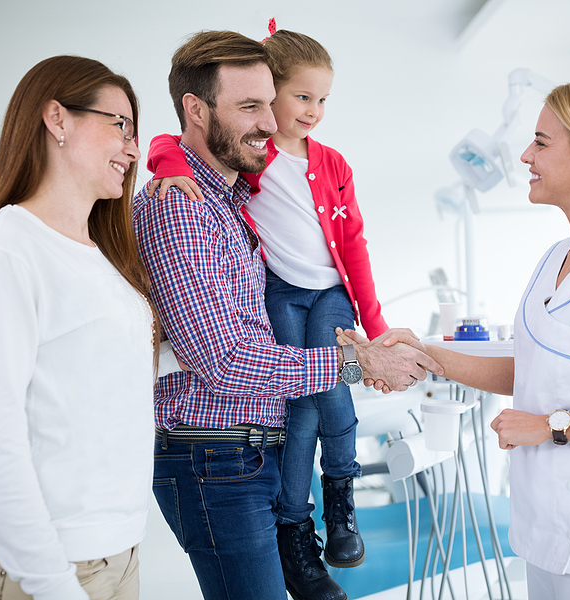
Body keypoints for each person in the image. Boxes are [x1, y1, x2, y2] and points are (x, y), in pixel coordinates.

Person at [340, 80, 570, 600]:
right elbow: (533, 368)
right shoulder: (555, 258)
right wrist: (430, 354)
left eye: (541, 141)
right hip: (544, 531)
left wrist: (550, 426)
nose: (524, 154)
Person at [132, 30, 440, 600]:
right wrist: (358, 362)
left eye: (270, 103)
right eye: (251, 107)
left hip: (249, 451)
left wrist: (370, 338)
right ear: (195, 111)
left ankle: (322, 517)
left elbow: (351, 243)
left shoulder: (231, 199)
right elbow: (224, 363)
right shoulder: (180, 204)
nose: (272, 122)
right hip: (216, 455)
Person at [0, 55, 184, 600]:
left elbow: (116, 370)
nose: (132, 148)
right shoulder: (5, 250)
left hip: (120, 554)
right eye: (119, 125)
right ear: (57, 119)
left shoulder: (101, 258)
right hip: (54, 569)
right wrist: (53, 585)